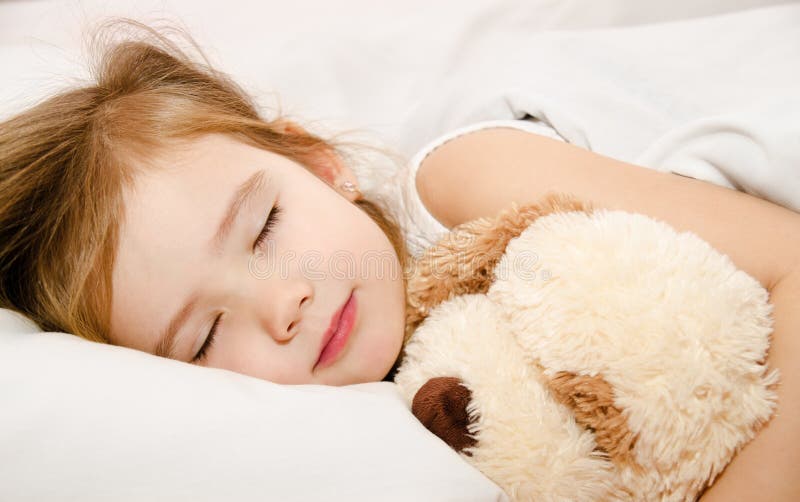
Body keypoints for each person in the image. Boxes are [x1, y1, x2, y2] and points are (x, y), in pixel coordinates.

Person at [1, 22, 798, 500]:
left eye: (265, 226)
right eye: (205, 336)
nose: (284, 302)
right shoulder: (390, 431)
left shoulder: (460, 180)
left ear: (319, 166)